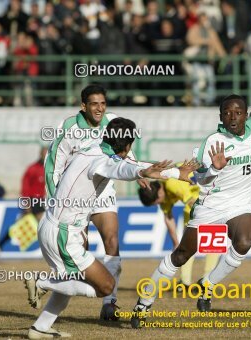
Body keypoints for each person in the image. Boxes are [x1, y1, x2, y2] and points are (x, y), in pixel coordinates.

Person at [24, 117, 199, 338]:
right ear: (127, 145)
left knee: (70, 279)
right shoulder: (103, 160)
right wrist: (148, 172)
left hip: (56, 227)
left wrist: (165, 172)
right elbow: (125, 169)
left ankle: (40, 328)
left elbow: (130, 166)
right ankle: (42, 283)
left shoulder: (93, 147)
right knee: (105, 287)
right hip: (64, 234)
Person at [129, 94, 251, 328]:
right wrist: (214, 169)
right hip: (212, 204)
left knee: (244, 242)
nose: (232, 117)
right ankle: (144, 302)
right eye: (226, 113)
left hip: (242, 203)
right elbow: (199, 179)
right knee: (181, 255)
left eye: (237, 112)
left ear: (246, 114)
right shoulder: (213, 143)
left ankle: (208, 285)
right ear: (220, 117)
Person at [44, 84, 148, 320]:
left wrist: (138, 172)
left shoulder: (112, 122)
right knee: (82, 254)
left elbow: (125, 150)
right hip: (76, 195)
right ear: (84, 106)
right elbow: (53, 167)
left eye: (103, 103)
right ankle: (52, 301)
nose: (100, 108)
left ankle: (109, 304)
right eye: (94, 104)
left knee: (112, 241)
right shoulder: (68, 127)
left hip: (102, 192)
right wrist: (56, 201)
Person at [138, 179, 219, 290]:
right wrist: (176, 242)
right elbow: (168, 217)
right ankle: (187, 282)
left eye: (157, 202)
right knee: (195, 243)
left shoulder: (172, 183)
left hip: (206, 198)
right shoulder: (161, 194)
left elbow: (191, 201)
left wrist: (208, 216)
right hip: (197, 201)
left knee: (211, 239)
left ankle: (205, 281)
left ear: (160, 193)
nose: (159, 204)